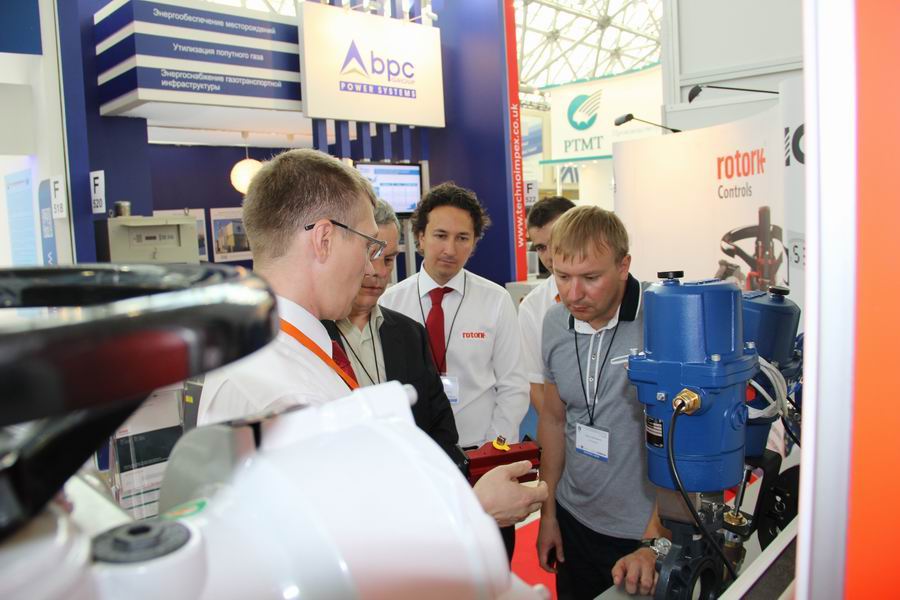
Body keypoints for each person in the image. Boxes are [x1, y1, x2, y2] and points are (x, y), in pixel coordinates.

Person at [196, 149, 545, 531]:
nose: (370, 268)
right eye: (367, 246)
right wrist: (475, 508)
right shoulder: (282, 395)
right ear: (324, 239)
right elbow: (346, 540)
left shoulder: (285, 352)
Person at [378, 182, 531, 558]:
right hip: (416, 462)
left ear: (474, 243)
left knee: (490, 563)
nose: (450, 248)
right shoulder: (389, 302)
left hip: (481, 456)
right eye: (440, 235)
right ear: (419, 237)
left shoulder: (495, 300)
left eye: (463, 238)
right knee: (428, 563)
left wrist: (494, 450)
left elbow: (513, 385)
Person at [536, 206, 666, 599]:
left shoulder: (661, 321)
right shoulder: (555, 322)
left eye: (591, 278)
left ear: (624, 266)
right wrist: (548, 513)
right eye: (562, 276)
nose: (573, 294)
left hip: (641, 533)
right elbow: (554, 420)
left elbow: (685, 442)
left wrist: (656, 541)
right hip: (573, 520)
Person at [322, 199, 459, 457]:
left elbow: (442, 429)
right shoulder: (311, 334)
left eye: (388, 259)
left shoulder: (410, 334)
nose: (378, 271)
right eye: (369, 254)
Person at [518, 196, 575, 422]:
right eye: (541, 247)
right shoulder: (532, 307)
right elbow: (534, 384)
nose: (550, 256)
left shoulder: (617, 293)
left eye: (556, 241)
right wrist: (562, 432)